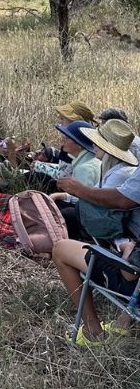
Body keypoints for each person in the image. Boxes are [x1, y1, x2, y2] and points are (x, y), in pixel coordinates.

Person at [53, 119, 139, 345]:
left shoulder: (119, 175)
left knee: (61, 248)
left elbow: (122, 201)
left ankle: (92, 330)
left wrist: (77, 191)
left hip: (133, 279)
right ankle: (125, 319)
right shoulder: (121, 171)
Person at [47, 120, 101, 239]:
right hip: (89, 209)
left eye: (67, 137)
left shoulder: (85, 168)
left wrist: (60, 196)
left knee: (61, 211)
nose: (63, 140)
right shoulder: (86, 161)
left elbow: (85, 200)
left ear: (79, 144)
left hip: (92, 219)